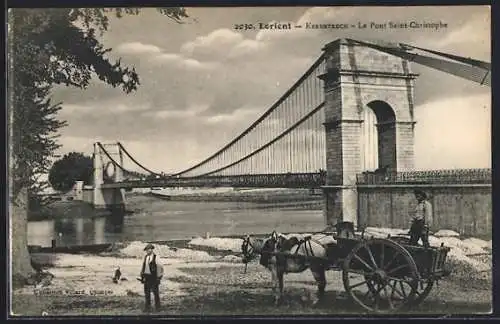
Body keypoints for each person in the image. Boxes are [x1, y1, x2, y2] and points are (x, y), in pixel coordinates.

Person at [139, 243, 163, 312]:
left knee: (156, 293)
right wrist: (142, 275)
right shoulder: (146, 257)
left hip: (153, 277)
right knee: (147, 293)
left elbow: (160, 267)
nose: (147, 251)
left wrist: (159, 277)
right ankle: (147, 307)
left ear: (151, 249)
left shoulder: (156, 257)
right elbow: (144, 266)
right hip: (146, 277)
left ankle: (158, 308)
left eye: (148, 249)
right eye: (146, 250)